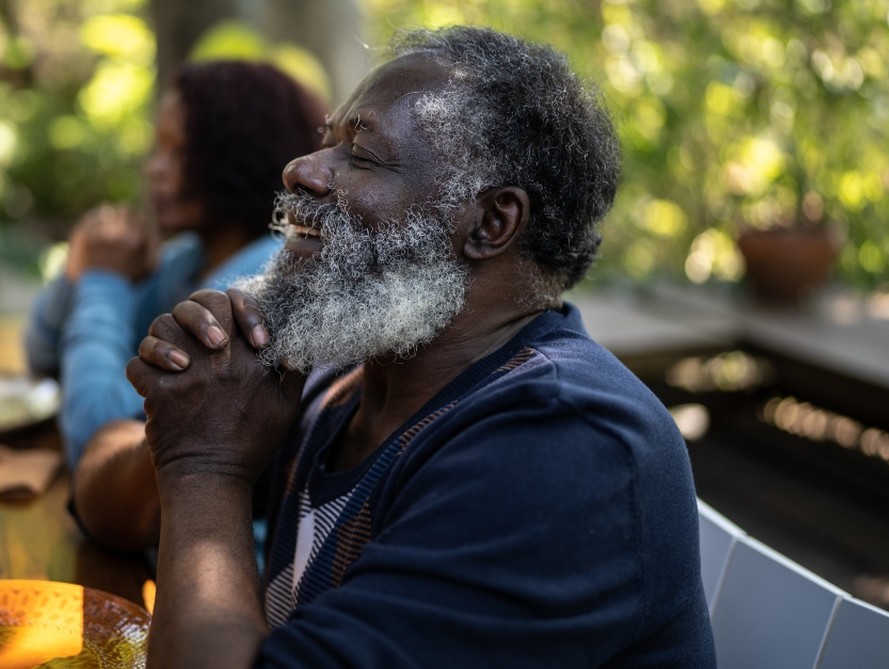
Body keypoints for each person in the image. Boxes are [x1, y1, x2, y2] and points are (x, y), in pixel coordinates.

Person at [77, 25, 717, 667]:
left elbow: (195, 471)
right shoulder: (344, 376)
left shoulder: (567, 444)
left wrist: (203, 466)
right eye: (325, 142)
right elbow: (104, 503)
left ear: (491, 223)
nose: (299, 171)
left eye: (360, 154)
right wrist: (184, 417)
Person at [24, 60, 327, 465]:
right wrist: (81, 263)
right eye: (159, 148)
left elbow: (95, 437)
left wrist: (101, 279)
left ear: (240, 155)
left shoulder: (257, 282)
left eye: (179, 152)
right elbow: (44, 353)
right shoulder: (189, 259)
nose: (155, 169)